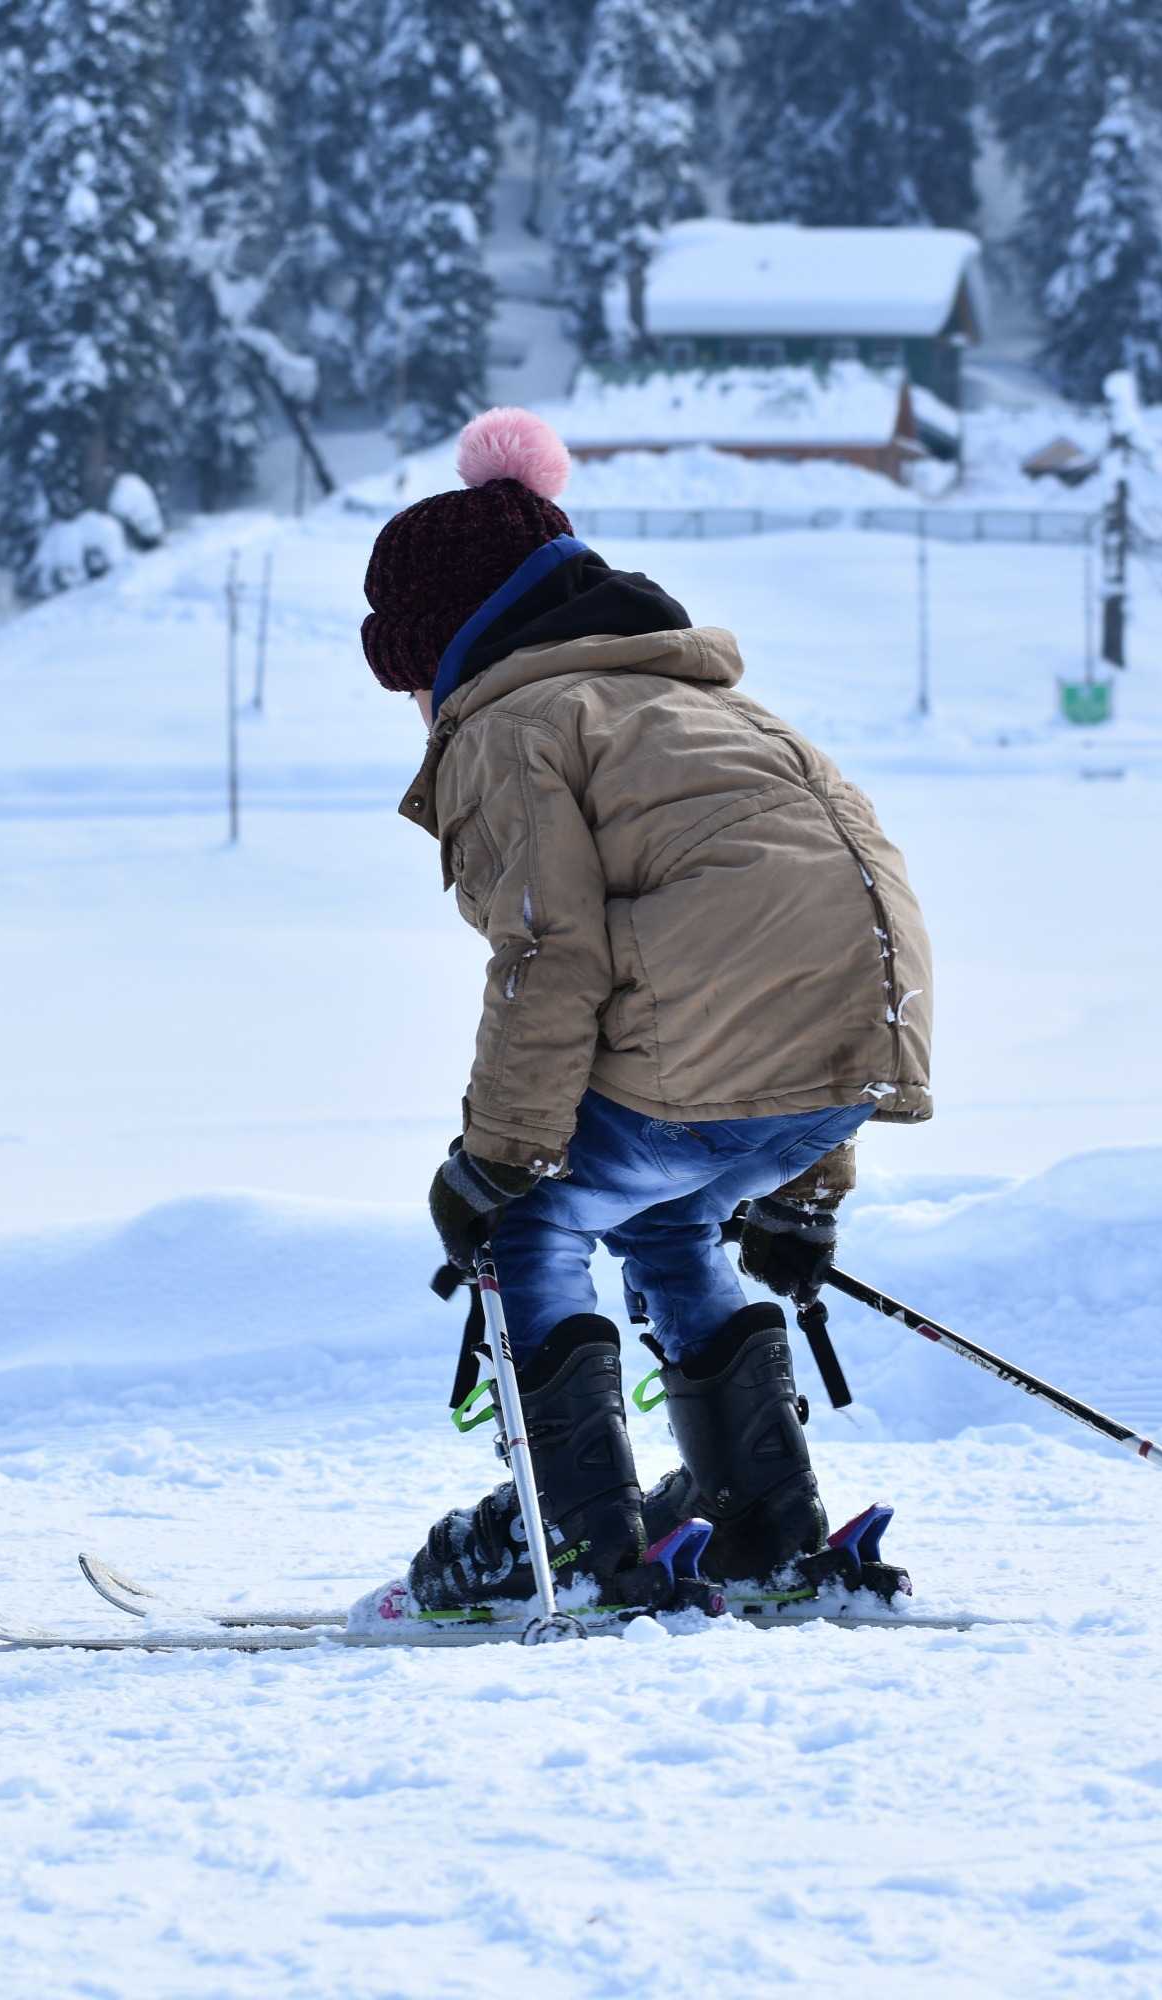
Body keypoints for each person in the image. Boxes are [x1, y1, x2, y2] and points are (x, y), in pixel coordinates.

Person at [362, 408, 934, 1615]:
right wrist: (804, 1185)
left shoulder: (514, 725)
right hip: (848, 1056)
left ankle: (574, 1546)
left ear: (447, 645)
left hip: (714, 1064)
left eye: (410, 672)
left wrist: (496, 1160)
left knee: (530, 1227)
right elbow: (818, 948)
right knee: (671, 1226)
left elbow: (546, 954)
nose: (416, 703)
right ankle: (763, 1527)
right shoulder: (727, 711)